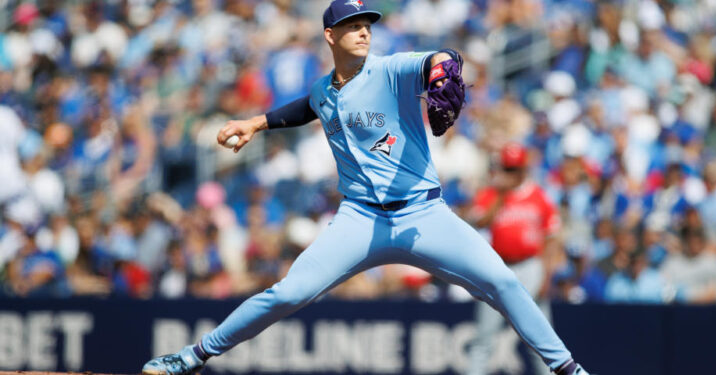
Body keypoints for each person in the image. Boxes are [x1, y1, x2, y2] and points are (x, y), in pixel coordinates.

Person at [142, 1, 588, 374]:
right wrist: (255, 123)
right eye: (351, 26)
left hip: (422, 215)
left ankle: (570, 370)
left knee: (503, 283)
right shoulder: (325, 89)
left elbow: (442, 58)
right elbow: (309, 106)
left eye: (366, 25)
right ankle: (192, 357)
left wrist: (442, 69)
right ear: (329, 36)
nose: (363, 32)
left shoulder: (391, 71)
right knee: (289, 292)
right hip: (360, 219)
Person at [467, 142, 563, 375]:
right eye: (506, 168)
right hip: (497, 267)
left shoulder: (539, 195)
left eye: (513, 169)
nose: (508, 174)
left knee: (539, 338)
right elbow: (478, 222)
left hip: (530, 266)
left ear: (523, 169)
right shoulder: (491, 193)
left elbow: (552, 239)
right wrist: (500, 195)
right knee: (484, 337)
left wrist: (546, 275)